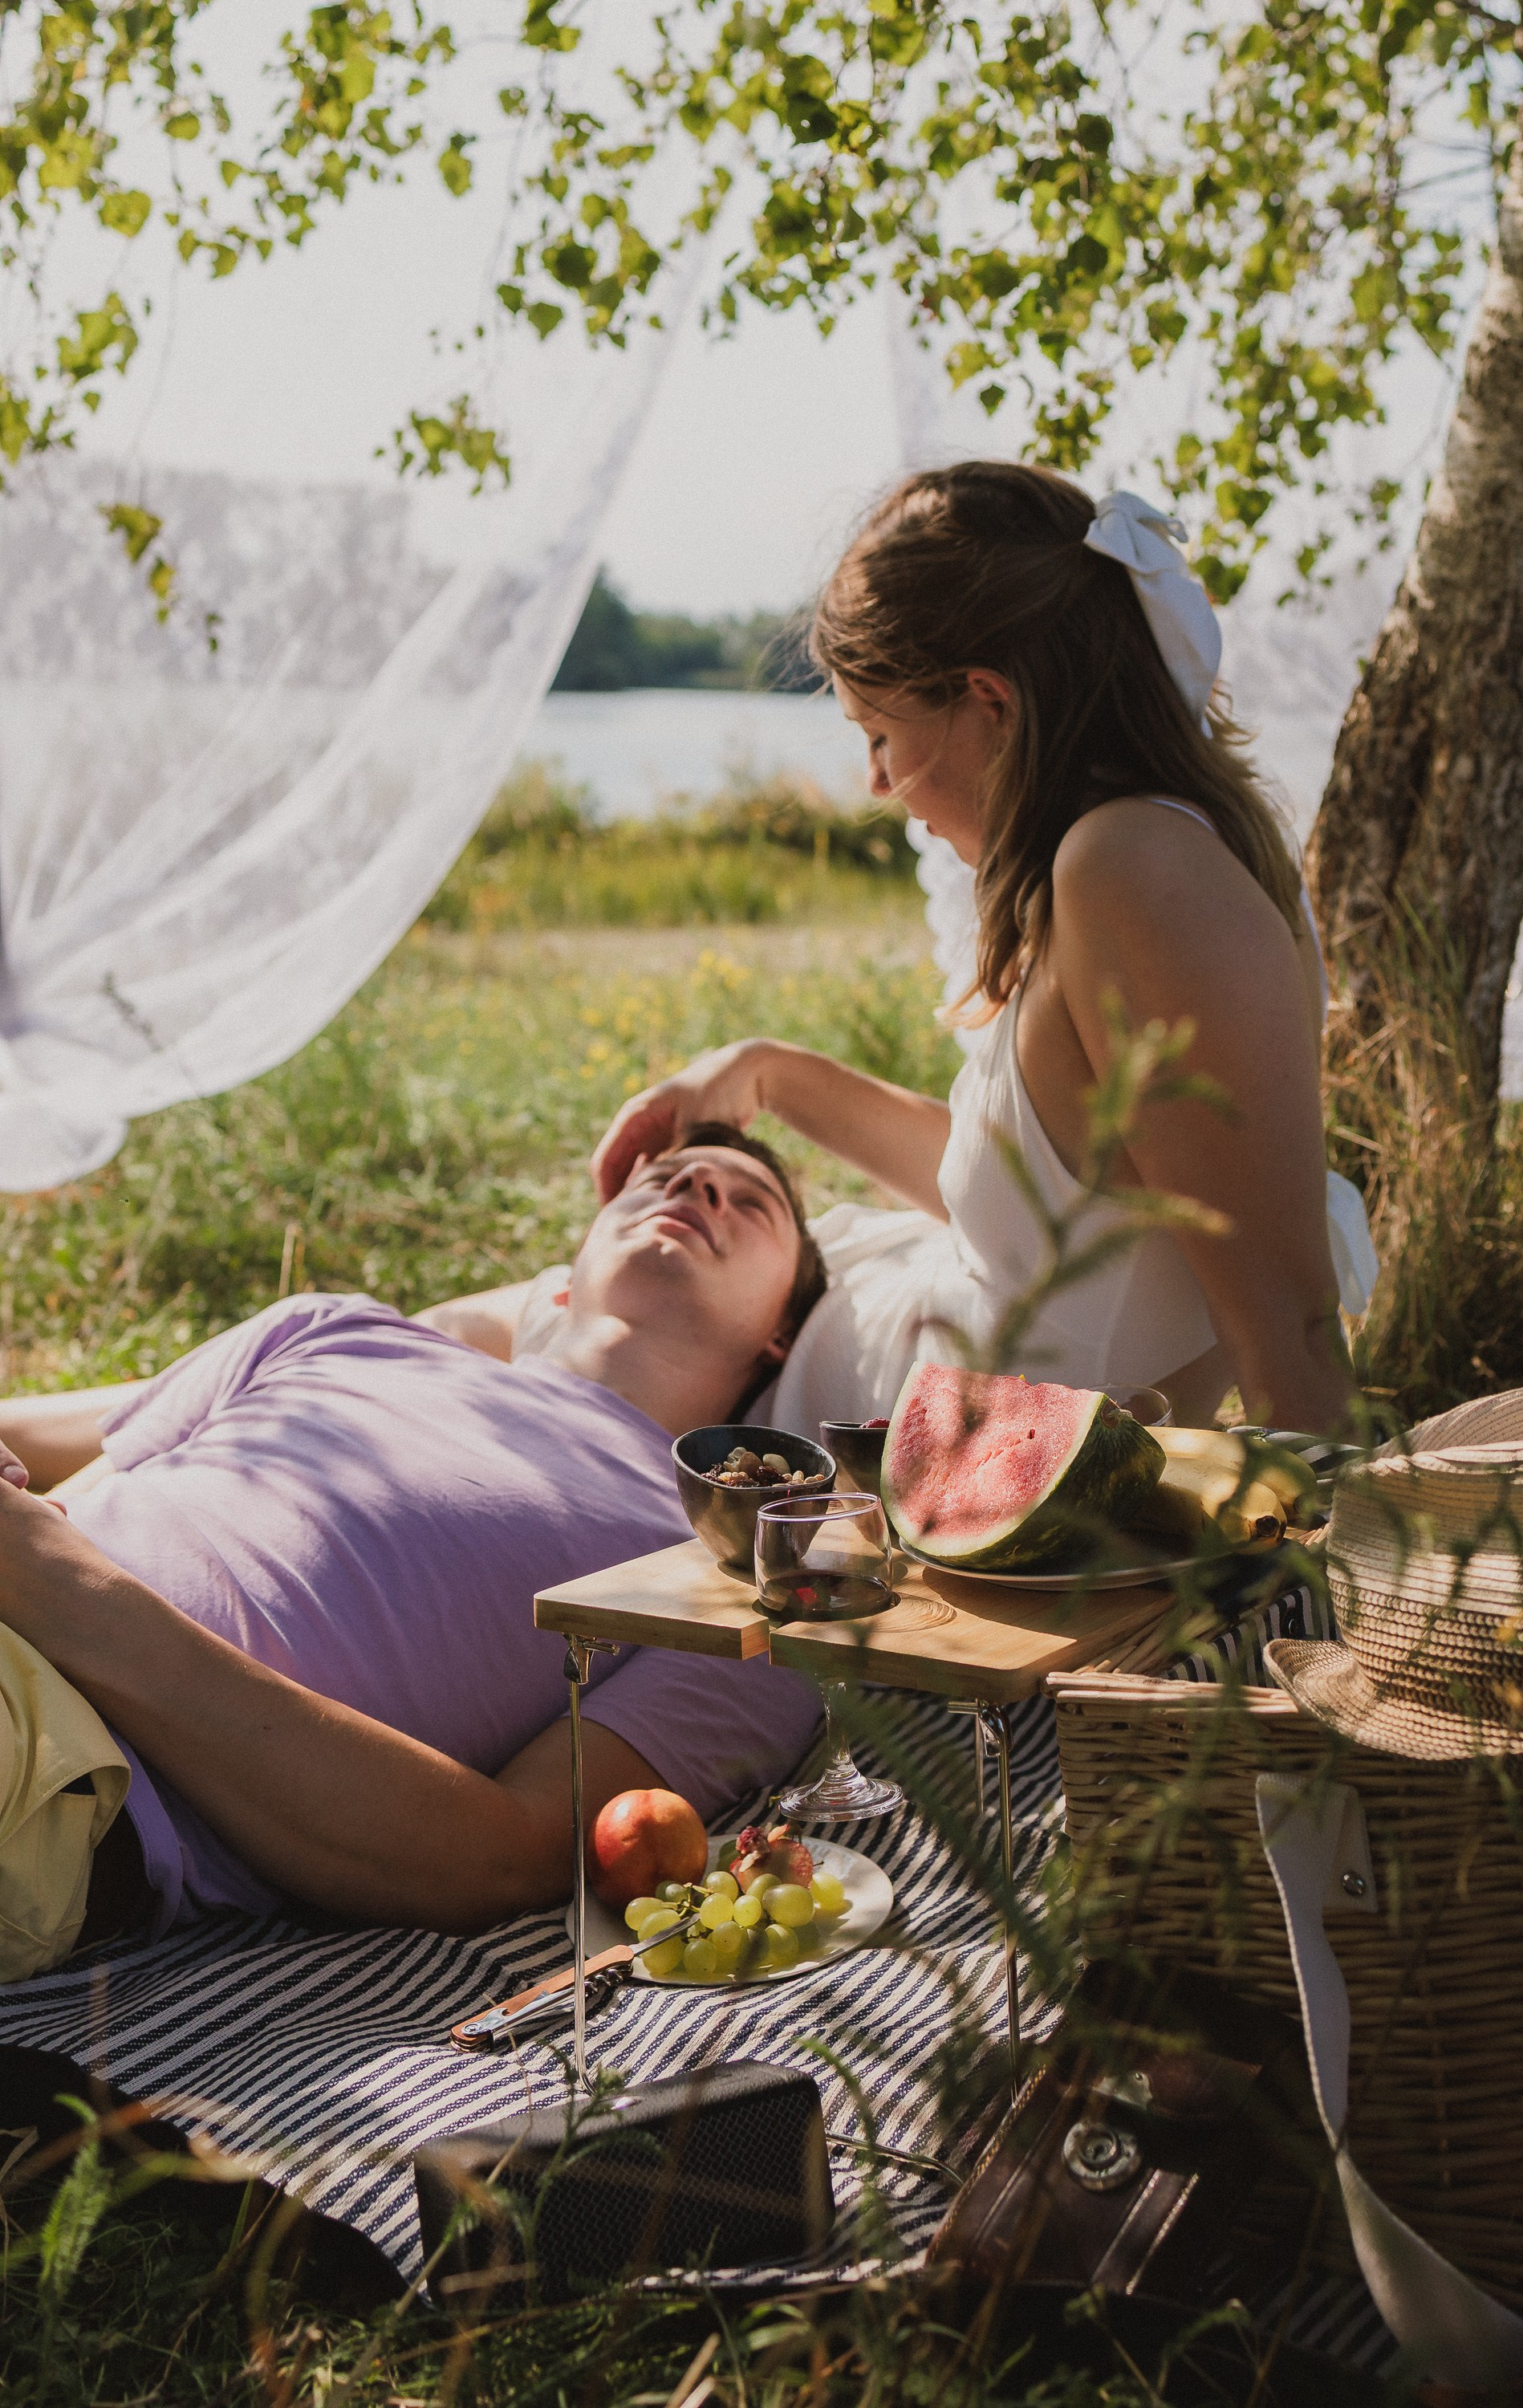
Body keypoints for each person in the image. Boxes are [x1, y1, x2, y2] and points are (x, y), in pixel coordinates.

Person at [587, 464, 1376, 1436]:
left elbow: (1288, 1330)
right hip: (874, 1377)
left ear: (988, 702)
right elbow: (1052, 1215)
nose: (877, 782)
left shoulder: (1135, 872)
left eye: (880, 733)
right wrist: (765, 1074)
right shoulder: (1130, 862)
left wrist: (1334, 1572)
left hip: (996, 1495)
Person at [0, 1129, 827, 1984]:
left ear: (782, 1335)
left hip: (64, 1760)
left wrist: (64, 1591)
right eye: (664, 1175)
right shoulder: (331, 1327)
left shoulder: (734, 1580)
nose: (696, 1186)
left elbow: (500, 1860)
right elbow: (62, 1462)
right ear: (565, 1275)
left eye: (750, 1201)